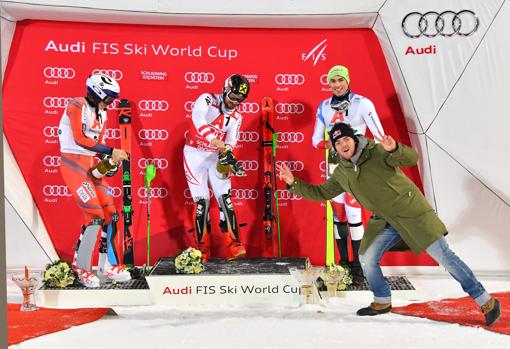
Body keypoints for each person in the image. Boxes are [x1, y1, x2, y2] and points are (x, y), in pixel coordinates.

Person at [278, 122, 501, 326]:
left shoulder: (376, 151)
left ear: (354, 139)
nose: (343, 144)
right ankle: (382, 299)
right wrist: (293, 182)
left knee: (446, 258)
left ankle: (486, 301)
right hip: (384, 220)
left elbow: (411, 159)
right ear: (335, 148)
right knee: (366, 258)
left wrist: (395, 149)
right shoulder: (342, 172)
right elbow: (320, 193)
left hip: (412, 214)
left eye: (346, 139)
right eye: (337, 142)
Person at [312, 65, 385, 283]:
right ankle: (343, 264)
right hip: (334, 169)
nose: (336, 85)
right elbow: (315, 139)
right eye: (332, 81)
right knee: (338, 218)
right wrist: (327, 144)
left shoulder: (362, 103)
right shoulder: (324, 106)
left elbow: (380, 135)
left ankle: (359, 267)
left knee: (354, 217)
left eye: (340, 80)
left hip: (356, 167)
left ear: (347, 80)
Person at [58, 73, 131, 287]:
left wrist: (107, 162)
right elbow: (80, 139)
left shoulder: (103, 113)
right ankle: (81, 267)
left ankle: (108, 265)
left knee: (111, 214)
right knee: (94, 215)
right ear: (96, 92)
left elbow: (95, 144)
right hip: (73, 163)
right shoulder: (76, 104)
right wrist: (111, 150)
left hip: (91, 165)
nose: (111, 103)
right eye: (108, 98)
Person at [183, 74, 250, 262]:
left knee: (225, 197)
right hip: (194, 153)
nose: (235, 103)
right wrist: (213, 139)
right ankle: (202, 248)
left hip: (215, 155)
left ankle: (233, 244)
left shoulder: (237, 116)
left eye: (240, 100)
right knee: (201, 201)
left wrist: (227, 151)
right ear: (225, 89)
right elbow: (197, 117)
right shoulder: (207, 99)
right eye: (233, 97)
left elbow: (232, 139)